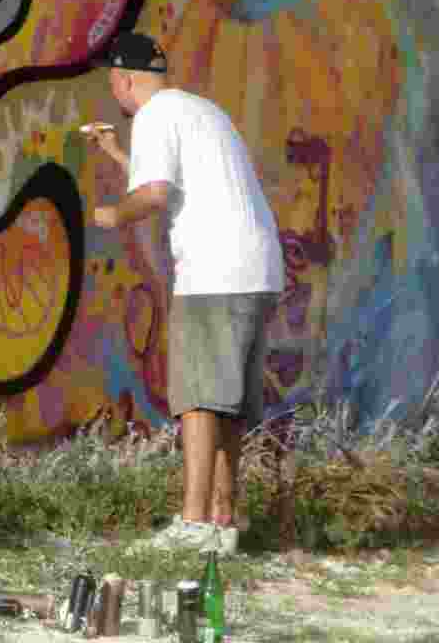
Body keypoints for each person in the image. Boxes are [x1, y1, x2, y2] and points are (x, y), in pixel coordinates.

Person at [87, 31, 284, 555]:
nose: (117, 98)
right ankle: (224, 520)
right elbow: (171, 180)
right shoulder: (199, 111)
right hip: (257, 268)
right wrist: (115, 155)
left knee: (197, 399)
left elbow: (153, 194)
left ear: (126, 80)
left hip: (215, 271)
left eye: (114, 86)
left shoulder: (154, 116)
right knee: (228, 404)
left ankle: (193, 524)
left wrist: (112, 215)